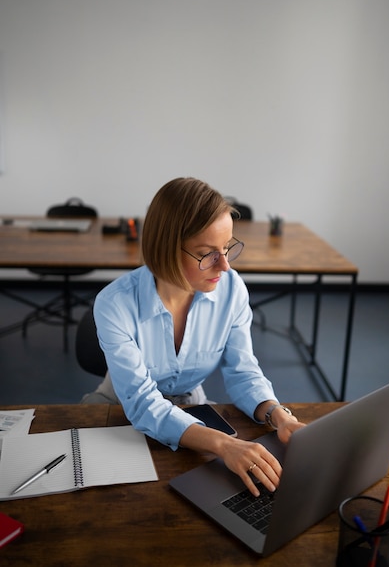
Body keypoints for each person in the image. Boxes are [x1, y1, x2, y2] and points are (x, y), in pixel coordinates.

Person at [83, 177, 305, 496]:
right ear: (166, 250)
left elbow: (243, 371)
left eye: (227, 248)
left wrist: (278, 415)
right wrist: (224, 444)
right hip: (120, 409)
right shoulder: (115, 303)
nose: (225, 266)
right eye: (207, 253)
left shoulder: (231, 290)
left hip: (192, 407)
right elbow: (143, 403)